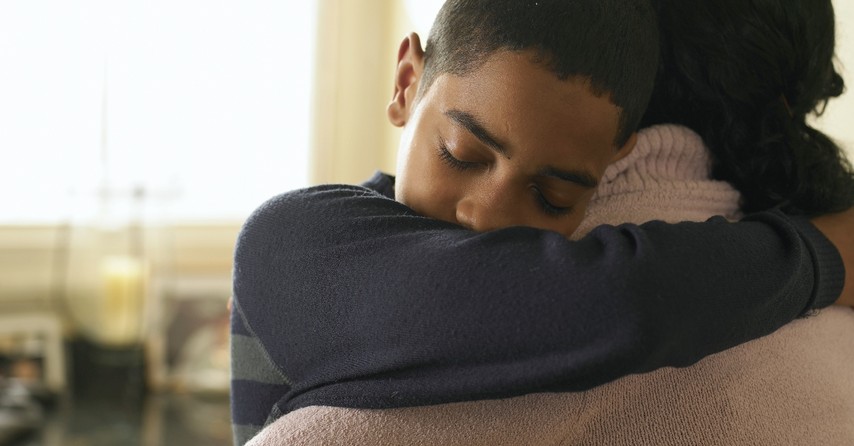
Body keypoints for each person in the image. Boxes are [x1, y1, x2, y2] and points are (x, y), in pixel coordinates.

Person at [229, 0, 851, 444]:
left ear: (619, 149)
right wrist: (821, 254)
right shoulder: (299, 239)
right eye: (462, 156)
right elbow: (621, 298)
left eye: (553, 196)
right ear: (405, 82)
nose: (488, 220)